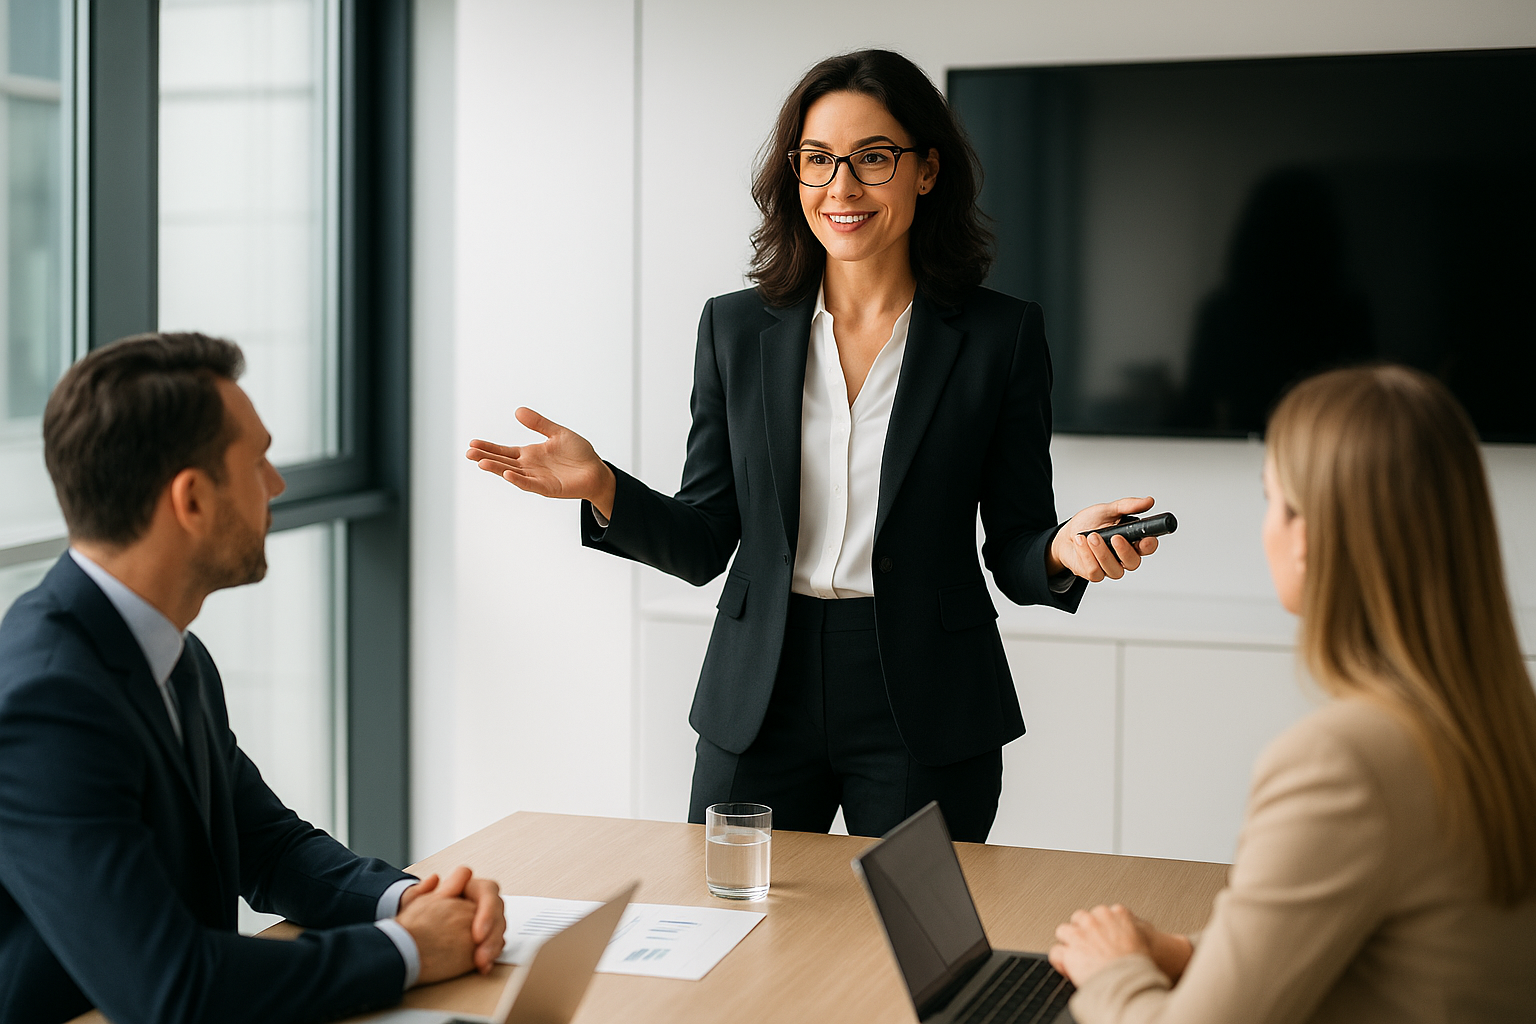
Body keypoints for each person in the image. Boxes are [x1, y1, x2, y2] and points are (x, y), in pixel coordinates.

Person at [466, 49, 1158, 843]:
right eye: (818, 160)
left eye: (873, 159)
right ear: (794, 175)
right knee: (724, 930)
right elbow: (705, 537)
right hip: (761, 691)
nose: (842, 188)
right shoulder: (734, 329)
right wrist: (603, 489)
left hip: (924, 699)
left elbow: (1015, 542)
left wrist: (1064, 550)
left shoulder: (1001, 337)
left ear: (926, 171)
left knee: (911, 954)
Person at [0, 333, 506, 1024]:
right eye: (258, 460)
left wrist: (408, 902)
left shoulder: (174, 654)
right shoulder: (45, 701)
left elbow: (268, 848)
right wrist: (406, 953)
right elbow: (171, 988)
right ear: (193, 500)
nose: (277, 484)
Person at [1048, 365, 1536, 1022]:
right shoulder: (1503, 719)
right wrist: (1190, 954)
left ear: (1305, 538)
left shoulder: (1346, 762)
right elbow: (1384, 947)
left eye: (1270, 499)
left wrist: (1113, 973)